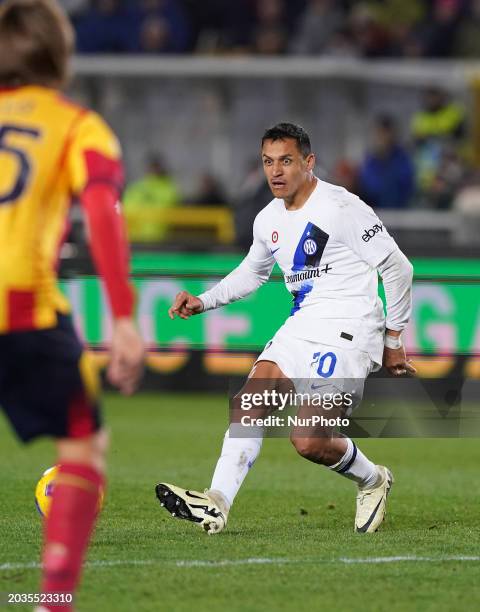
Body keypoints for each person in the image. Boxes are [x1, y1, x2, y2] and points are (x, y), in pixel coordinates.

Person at [157, 122, 415, 535]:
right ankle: (217, 502)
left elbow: (398, 267)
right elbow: (252, 273)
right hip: (301, 326)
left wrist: (394, 337)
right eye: (268, 162)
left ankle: (373, 479)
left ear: (308, 163)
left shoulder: (342, 208)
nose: (275, 171)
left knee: (309, 440)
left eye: (286, 161)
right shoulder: (267, 219)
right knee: (248, 404)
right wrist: (204, 300)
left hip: (351, 331)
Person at [0, 2, 144, 611]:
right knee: (83, 444)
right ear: (61, 54)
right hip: (25, 311)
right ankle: (53, 600)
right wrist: (123, 316)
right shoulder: (78, 124)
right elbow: (103, 212)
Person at [359, 115, 415, 209]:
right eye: (378, 133)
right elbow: (368, 187)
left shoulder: (402, 158)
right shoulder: (370, 160)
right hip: (375, 213)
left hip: (399, 212)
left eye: (384, 133)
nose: (381, 138)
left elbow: (405, 186)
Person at [123, 152, 180, 242]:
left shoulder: (169, 189)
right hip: (134, 239)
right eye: (152, 166)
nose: (153, 169)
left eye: (156, 166)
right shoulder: (137, 187)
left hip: (158, 240)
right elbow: (126, 208)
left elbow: (165, 211)